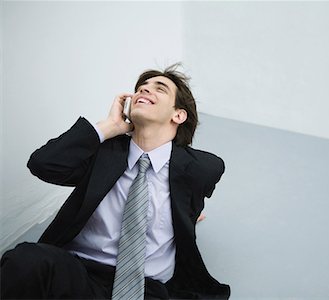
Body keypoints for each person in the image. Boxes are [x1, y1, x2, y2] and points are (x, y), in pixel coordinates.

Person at [0, 64, 230, 299]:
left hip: (147, 288)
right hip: (80, 273)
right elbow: (42, 164)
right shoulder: (101, 155)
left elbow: (191, 200)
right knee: (25, 259)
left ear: (178, 114)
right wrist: (108, 127)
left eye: (159, 88)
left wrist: (189, 217)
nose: (144, 90)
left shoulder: (201, 169)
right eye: (141, 88)